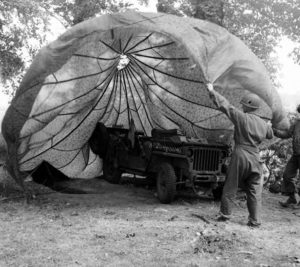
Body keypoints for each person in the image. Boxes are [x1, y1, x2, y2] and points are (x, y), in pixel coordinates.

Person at [205, 83, 273, 227]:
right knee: (254, 189)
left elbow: (226, 106)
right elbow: (270, 134)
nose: (242, 107)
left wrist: (211, 91)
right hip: (256, 157)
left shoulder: (242, 118)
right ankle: (254, 220)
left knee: (231, 185)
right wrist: (268, 125)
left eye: (243, 105)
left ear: (248, 106)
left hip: (241, 154)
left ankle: (225, 214)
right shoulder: (263, 124)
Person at [273, 104, 300, 208]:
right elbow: (287, 134)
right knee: (287, 175)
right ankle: (292, 198)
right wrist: (274, 131)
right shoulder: (296, 123)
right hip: (296, 154)